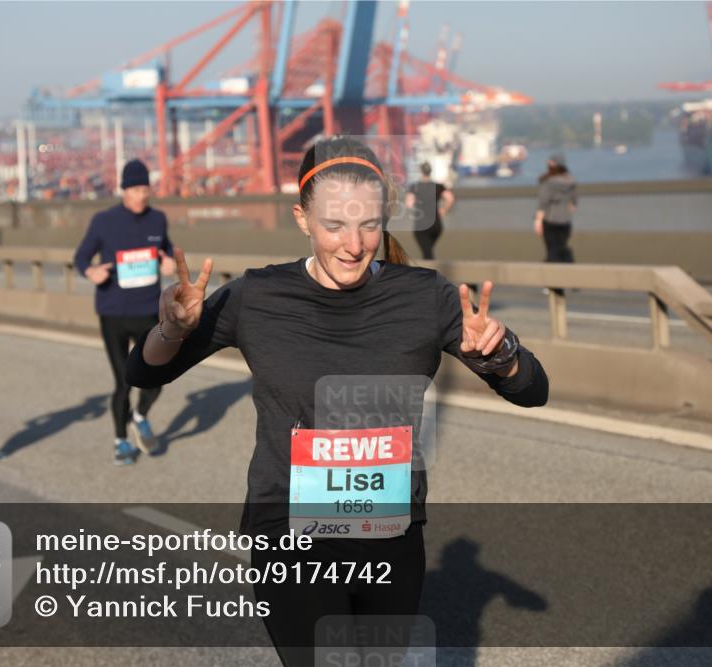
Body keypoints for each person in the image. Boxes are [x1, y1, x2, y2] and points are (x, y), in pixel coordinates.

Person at [126, 137, 549, 665]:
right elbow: (143, 370)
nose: (354, 244)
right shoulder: (256, 297)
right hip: (288, 526)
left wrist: (501, 351)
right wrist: (171, 329)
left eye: (368, 225)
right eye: (334, 227)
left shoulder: (426, 296)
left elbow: (533, 391)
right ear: (302, 219)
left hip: (391, 531)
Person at [74, 158, 176, 465]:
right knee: (123, 382)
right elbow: (80, 258)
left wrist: (169, 261)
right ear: (124, 191)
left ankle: (139, 414)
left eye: (145, 188)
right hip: (114, 314)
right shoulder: (104, 221)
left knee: (157, 377)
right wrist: (91, 272)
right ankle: (120, 442)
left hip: (148, 311)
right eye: (134, 189)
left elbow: (166, 252)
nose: (141, 195)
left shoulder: (158, 220)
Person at [405, 162, 454, 260]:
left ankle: (430, 271)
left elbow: (409, 203)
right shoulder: (438, 186)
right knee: (428, 250)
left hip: (421, 226)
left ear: (421, 171)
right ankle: (430, 269)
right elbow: (450, 198)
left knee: (427, 253)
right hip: (436, 226)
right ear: (430, 171)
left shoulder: (415, 186)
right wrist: (444, 210)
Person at [534, 153, 577, 264]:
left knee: (551, 250)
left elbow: (543, 202)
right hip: (565, 221)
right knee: (561, 247)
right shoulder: (570, 181)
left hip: (551, 219)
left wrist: (538, 221)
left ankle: (552, 273)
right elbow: (574, 202)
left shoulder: (549, 182)